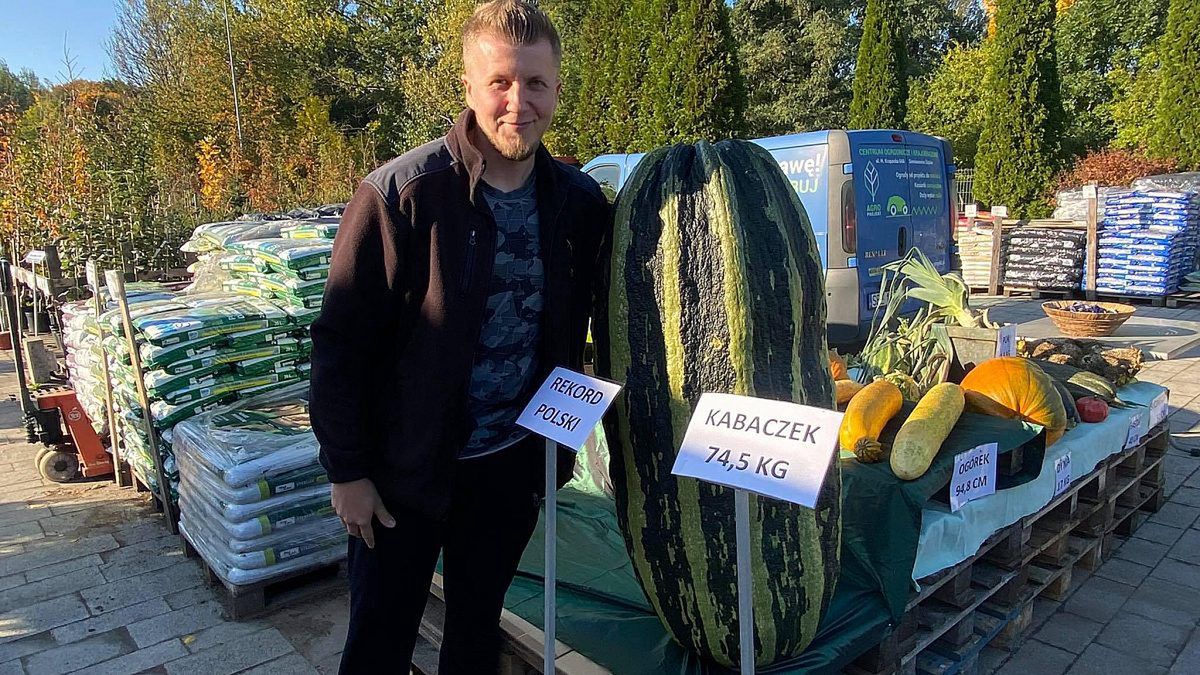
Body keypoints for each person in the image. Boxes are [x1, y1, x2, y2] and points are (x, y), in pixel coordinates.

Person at [308, 1, 610, 672]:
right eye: (500, 81)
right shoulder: (401, 195)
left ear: (557, 88)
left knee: (475, 639)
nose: (517, 101)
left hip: (509, 468)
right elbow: (339, 342)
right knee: (379, 645)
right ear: (470, 87)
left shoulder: (579, 204)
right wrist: (347, 470)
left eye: (535, 83)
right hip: (401, 475)